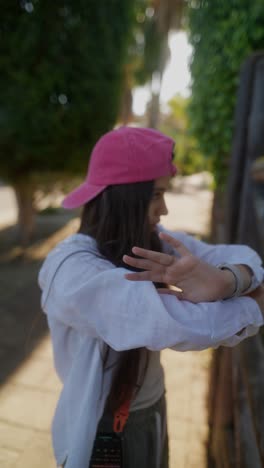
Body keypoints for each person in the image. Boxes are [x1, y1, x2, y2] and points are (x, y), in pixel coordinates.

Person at [38, 126, 264, 468]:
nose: (165, 209)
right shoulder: (70, 269)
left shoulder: (150, 241)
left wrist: (226, 281)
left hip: (153, 405)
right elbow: (181, 324)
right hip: (103, 428)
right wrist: (255, 304)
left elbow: (243, 255)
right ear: (125, 196)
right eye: (157, 195)